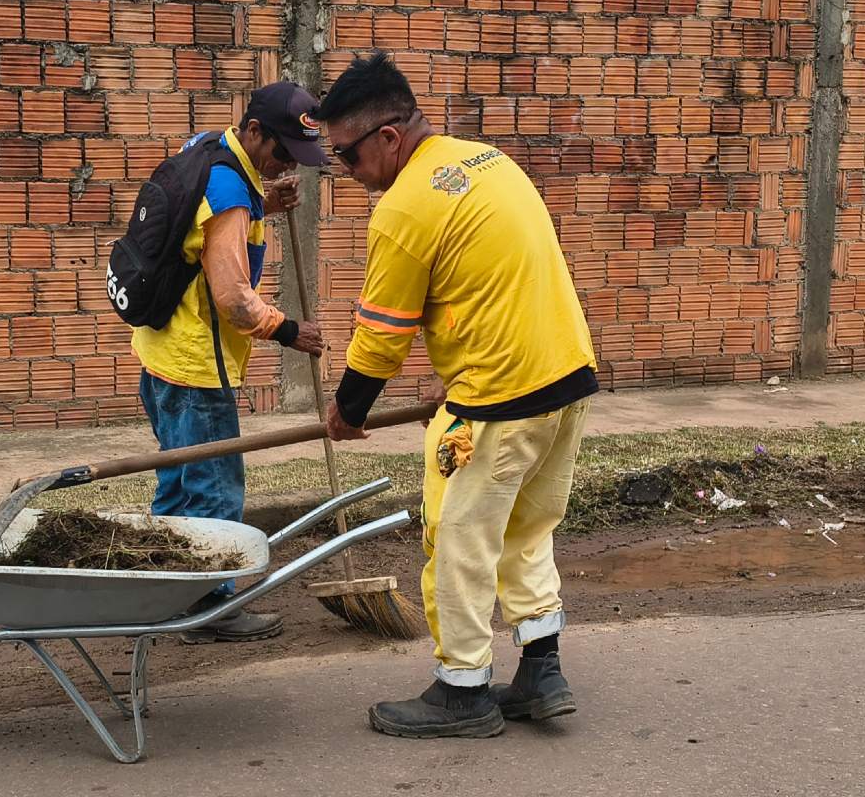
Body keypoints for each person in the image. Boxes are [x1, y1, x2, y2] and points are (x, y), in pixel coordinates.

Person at [315, 53, 599, 738]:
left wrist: (348, 411)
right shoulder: (486, 162)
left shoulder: (405, 207)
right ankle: (540, 669)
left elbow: (380, 338)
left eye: (347, 156)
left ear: (388, 137)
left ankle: (463, 690)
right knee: (525, 530)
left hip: (494, 406)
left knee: (458, 537)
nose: (347, 175)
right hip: (566, 380)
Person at [131, 82, 328, 643]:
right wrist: (291, 331)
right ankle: (211, 607)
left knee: (176, 481)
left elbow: (200, 226)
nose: (287, 162)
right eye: (283, 149)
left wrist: (263, 202)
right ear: (255, 131)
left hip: (161, 352)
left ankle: (162, 595)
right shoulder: (230, 194)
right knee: (214, 488)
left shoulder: (207, 151)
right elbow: (235, 301)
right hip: (197, 367)